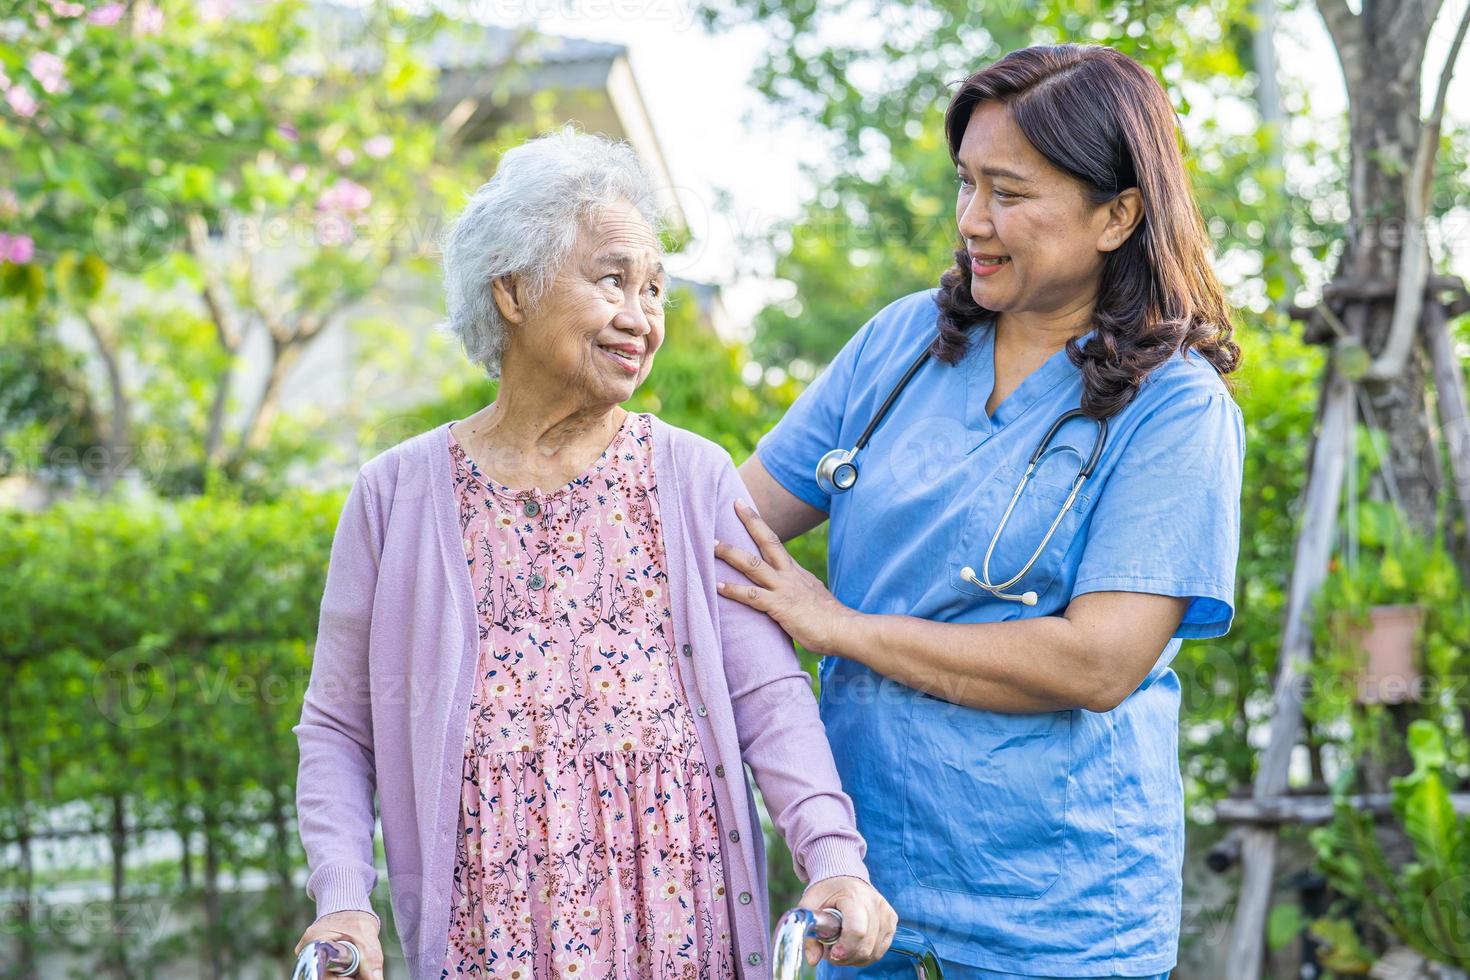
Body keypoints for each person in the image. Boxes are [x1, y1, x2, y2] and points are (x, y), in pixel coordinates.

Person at [291, 128, 896, 980]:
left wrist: (834, 859)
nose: (641, 317)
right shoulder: (396, 495)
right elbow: (338, 725)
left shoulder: (693, 477)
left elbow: (767, 694)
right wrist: (344, 899)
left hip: (680, 922)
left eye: (654, 290)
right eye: (612, 279)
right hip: (487, 931)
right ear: (511, 288)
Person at [717, 44, 1245, 979]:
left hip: (1056, 924)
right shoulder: (902, 344)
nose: (972, 221)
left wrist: (841, 628)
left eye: (1008, 192)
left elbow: (1097, 660)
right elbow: (730, 529)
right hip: (864, 898)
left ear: (1118, 213)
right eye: (965, 184)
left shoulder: (1175, 407)